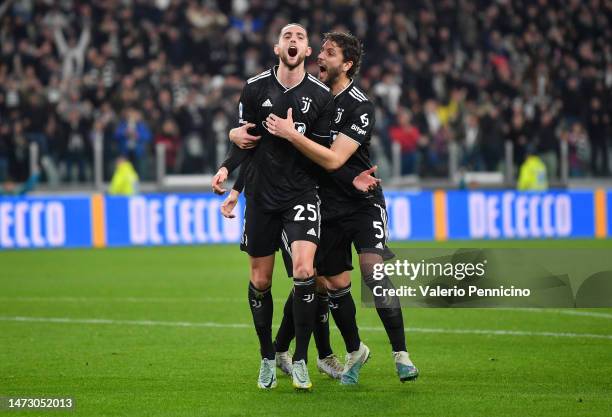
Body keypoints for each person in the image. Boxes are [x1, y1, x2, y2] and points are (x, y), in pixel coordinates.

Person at [227, 32, 419, 384]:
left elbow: (332, 159)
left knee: (371, 271)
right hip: (321, 201)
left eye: (330, 54)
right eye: (323, 51)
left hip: (359, 200)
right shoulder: (304, 93)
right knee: (312, 280)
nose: (322, 58)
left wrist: (293, 136)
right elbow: (267, 150)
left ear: (346, 65)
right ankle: (309, 352)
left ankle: (400, 354)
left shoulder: (360, 105)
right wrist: (235, 164)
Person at [210, 23, 337, 391]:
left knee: (304, 270)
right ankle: (267, 356)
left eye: (299, 37)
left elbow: (324, 153)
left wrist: (292, 134)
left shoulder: (321, 96)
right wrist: (226, 170)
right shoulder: (254, 88)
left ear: (308, 51)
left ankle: (299, 359)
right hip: (262, 196)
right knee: (261, 280)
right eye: (287, 37)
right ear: (277, 47)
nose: (293, 41)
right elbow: (245, 141)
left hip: (301, 194)